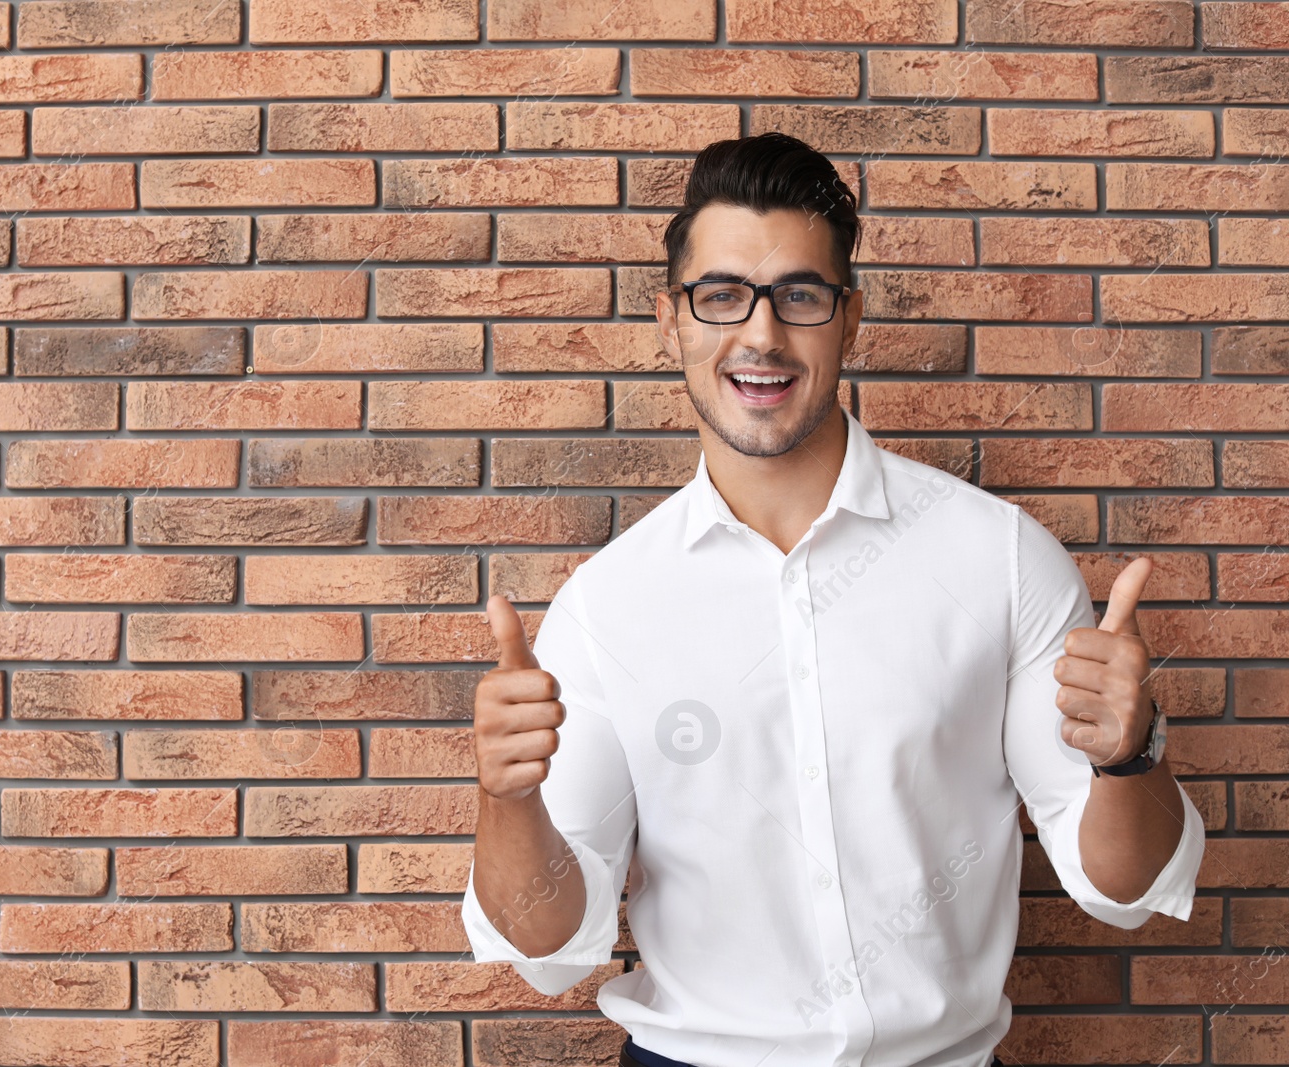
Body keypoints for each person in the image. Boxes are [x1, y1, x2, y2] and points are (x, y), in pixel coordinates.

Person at [462, 133, 1203, 1067]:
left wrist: (1132, 757)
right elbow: (545, 944)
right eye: (721, 295)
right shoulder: (604, 609)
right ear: (671, 322)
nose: (761, 335)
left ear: (849, 318)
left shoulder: (1000, 559)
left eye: (799, 296)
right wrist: (506, 800)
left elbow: (1124, 889)